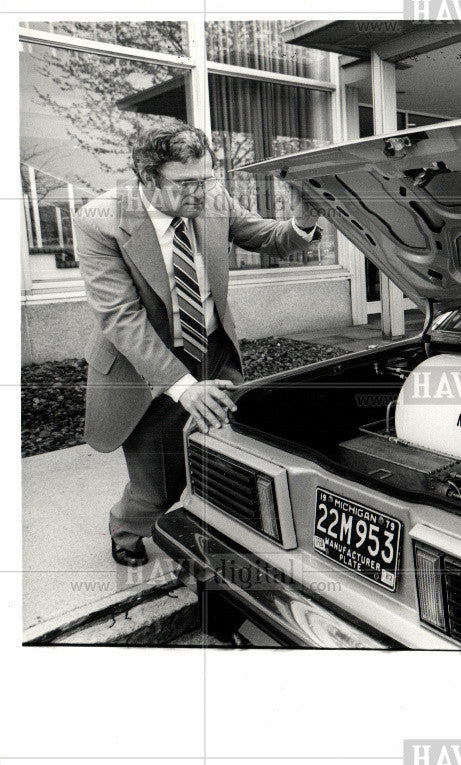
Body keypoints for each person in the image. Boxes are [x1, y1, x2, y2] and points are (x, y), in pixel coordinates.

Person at [74, 120, 322, 567]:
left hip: (213, 348)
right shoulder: (100, 220)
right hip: (148, 360)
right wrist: (184, 387)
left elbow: (265, 236)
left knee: (228, 450)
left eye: (207, 177)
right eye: (187, 182)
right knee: (158, 480)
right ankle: (127, 529)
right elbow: (121, 318)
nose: (201, 192)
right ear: (147, 177)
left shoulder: (211, 195)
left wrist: (301, 222)